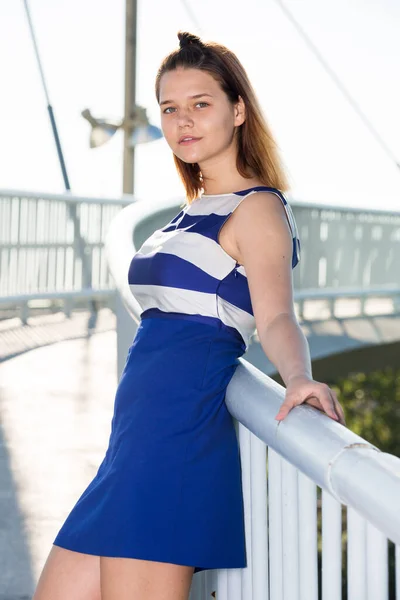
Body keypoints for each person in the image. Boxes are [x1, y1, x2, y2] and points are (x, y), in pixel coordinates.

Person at [33, 30, 346, 600]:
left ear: (238, 110)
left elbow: (275, 316)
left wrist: (297, 376)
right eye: (170, 109)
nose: (184, 122)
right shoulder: (192, 210)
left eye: (201, 104)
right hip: (133, 442)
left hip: (173, 440)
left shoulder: (258, 209)